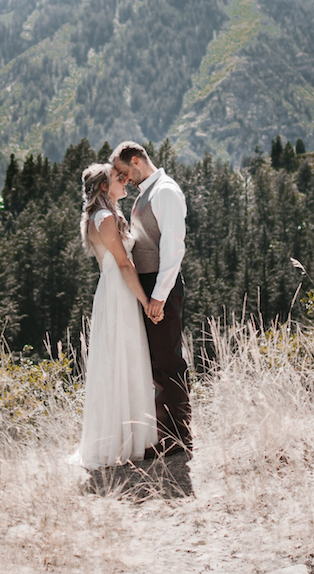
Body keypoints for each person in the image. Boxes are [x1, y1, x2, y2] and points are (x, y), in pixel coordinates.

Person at [68, 163, 158, 469]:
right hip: (119, 292)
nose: (125, 181)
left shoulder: (105, 215)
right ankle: (123, 441)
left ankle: (129, 437)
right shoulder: (104, 218)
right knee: (121, 358)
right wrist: (146, 301)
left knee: (124, 358)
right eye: (118, 179)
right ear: (104, 187)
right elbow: (123, 263)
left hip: (117, 292)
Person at [111, 141, 191, 455]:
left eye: (123, 171)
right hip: (150, 286)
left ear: (136, 161)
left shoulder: (165, 191)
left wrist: (158, 296)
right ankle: (165, 433)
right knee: (157, 362)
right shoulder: (149, 192)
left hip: (162, 286)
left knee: (168, 361)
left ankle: (178, 438)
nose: (123, 178)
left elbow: (174, 249)